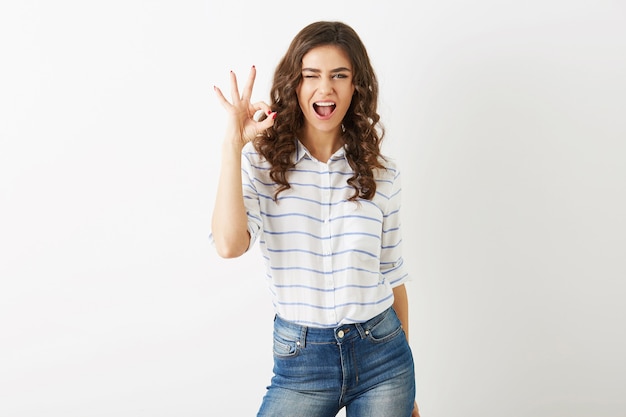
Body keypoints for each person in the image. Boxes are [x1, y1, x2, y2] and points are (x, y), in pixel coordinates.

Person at [211, 21, 420, 417]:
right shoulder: (262, 164)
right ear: (295, 85)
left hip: (384, 359)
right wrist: (232, 146)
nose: (326, 89)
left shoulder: (382, 173)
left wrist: (408, 391)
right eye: (312, 76)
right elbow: (228, 245)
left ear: (356, 85)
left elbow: (392, 275)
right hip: (300, 364)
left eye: (339, 76)